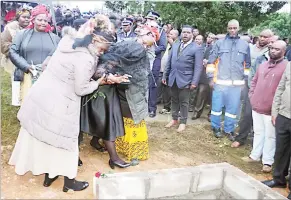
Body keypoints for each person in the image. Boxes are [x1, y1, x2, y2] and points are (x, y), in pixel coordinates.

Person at [8, 16, 115, 192]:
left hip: (42, 97)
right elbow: (81, 88)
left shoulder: (68, 42)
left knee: (47, 139)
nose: (105, 51)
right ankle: (69, 183)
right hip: (61, 103)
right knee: (67, 144)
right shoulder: (86, 57)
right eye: (106, 46)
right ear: (97, 39)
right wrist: (98, 83)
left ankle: (49, 176)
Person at [80, 25, 157, 168]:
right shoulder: (134, 47)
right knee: (114, 119)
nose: (149, 44)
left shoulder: (131, 45)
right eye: (152, 38)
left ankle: (96, 142)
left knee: (106, 117)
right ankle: (120, 156)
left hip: (112, 85)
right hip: (111, 86)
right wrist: (111, 76)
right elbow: (110, 64)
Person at [243, 41, 288, 173]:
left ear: (283, 51)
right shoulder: (262, 65)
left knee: (270, 136)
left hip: (271, 110)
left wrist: (277, 108)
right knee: (258, 132)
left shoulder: (286, 67)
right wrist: (252, 96)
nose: (273, 51)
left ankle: (267, 161)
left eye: (277, 49)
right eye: (272, 48)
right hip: (257, 106)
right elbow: (254, 81)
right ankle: (255, 155)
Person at [206, 19, 251, 141]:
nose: (232, 30)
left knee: (232, 109)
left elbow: (247, 66)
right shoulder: (219, 43)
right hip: (220, 83)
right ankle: (215, 127)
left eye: (234, 28)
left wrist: (245, 81)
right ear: (227, 29)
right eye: (230, 28)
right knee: (216, 108)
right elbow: (211, 62)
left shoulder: (245, 45)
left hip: (236, 85)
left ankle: (229, 129)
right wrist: (210, 79)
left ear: (238, 28)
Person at [9, 5, 60, 104]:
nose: (43, 23)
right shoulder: (22, 34)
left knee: (46, 104)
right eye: (40, 20)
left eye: (45, 21)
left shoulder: (55, 38)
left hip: (48, 77)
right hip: (27, 74)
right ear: (33, 19)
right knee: (28, 104)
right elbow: (13, 51)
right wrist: (26, 66)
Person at [162, 25, 204, 132]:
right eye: (184, 32)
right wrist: (165, 75)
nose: (185, 34)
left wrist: (194, 82)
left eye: (188, 33)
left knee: (184, 101)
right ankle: (174, 119)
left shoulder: (197, 48)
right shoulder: (176, 45)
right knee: (174, 99)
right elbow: (169, 62)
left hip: (186, 79)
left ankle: (183, 122)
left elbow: (198, 67)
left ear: (192, 35)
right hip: (173, 78)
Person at [261, 62, 291, 199]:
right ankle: (278, 179)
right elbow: (281, 88)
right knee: (281, 150)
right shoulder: (290, 65)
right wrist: (275, 111)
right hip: (284, 115)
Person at [1, 8, 31, 106]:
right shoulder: (10, 28)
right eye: (24, 17)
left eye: (28, 17)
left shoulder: (31, 28)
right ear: (18, 17)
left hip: (27, 59)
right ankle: (16, 100)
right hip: (13, 59)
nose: (27, 19)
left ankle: (27, 98)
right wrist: (17, 50)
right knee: (16, 78)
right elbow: (3, 44)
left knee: (27, 79)